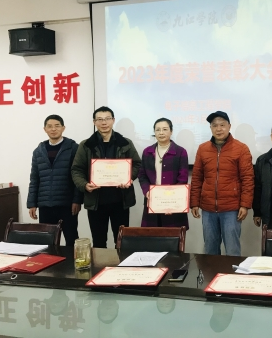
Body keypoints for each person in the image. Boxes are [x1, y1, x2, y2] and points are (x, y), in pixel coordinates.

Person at [71, 106, 141, 248]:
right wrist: (84, 185)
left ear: (113, 120)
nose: (104, 122)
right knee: (98, 242)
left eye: (107, 119)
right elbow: (77, 169)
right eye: (100, 119)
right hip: (96, 202)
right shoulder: (86, 145)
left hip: (120, 201)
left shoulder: (125, 143)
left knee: (121, 241)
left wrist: (129, 178)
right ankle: (100, 263)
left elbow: (137, 164)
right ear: (94, 122)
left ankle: (120, 263)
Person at [190, 111, 254, 256]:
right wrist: (194, 203)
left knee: (232, 250)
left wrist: (245, 205)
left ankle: (232, 272)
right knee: (210, 250)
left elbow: (248, 178)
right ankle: (211, 272)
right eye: (214, 125)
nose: (218, 129)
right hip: (208, 209)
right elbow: (197, 177)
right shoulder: (203, 149)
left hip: (231, 209)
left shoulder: (241, 148)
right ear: (210, 128)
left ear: (229, 126)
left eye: (222, 125)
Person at [27, 114, 82, 247]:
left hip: (67, 204)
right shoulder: (38, 151)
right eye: (50, 126)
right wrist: (32, 203)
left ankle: (70, 261)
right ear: (44, 129)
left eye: (57, 126)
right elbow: (34, 178)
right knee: (47, 241)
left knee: (71, 239)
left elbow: (79, 175)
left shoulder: (73, 148)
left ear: (63, 128)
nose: (53, 129)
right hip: (45, 204)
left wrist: (77, 200)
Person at [138, 117, 189, 229]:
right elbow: (142, 175)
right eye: (158, 130)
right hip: (153, 200)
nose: (161, 133)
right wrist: (147, 191)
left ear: (171, 131)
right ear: (154, 132)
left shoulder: (180, 152)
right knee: (153, 235)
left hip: (174, 203)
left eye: (165, 129)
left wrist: (171, 202)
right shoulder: (147, 151)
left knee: (173, 237)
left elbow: (183, 178)